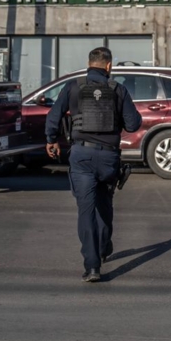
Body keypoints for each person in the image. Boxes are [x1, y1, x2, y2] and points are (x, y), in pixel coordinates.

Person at [45, 47, 142, 283]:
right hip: (109, 158)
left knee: (86, 211)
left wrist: (51, 140)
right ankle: (103, 247)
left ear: (89, 64)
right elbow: (133, 125)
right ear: (108, 66)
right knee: (105, 206)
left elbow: (54, 116)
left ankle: (92, 267)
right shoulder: (118, 89)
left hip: (82, 156)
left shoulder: (73, 86)